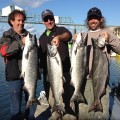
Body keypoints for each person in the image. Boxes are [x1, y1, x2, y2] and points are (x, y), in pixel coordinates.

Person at [74, 7, 120, 119]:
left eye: (96, 18)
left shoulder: (107, 33)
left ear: (101, 20)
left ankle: (97, 102)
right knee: (84, 114)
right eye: (91, 18)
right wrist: (74, 41)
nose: (93, 20)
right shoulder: (83, 36)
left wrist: (109, 39)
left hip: (101, 80)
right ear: (87, 20)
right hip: (84, 81)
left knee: (101, 116)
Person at [38, 9, 77, 119]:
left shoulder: (61, 30)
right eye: (46, 19)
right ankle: (56, 112)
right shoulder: (41, 38)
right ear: (43, 22)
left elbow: (68, 35)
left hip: (64, 73)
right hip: (48, 75)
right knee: (53, 100)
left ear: (54, 19)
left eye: (51, 18)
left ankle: (69, 115)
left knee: (68, 100)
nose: (49, 21)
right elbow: (40, 57)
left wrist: (59, 37)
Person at [0, 10, 35, 120]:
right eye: (18, 20)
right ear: (11, 21)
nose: (21, 23)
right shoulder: (6, 36)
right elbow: (3, 51)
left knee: (31, 109)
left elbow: (36, 56)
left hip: (31, 76)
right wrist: (20, 43)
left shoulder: (30, 36)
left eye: (23, 20)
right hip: (14, 77)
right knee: (15, 110)